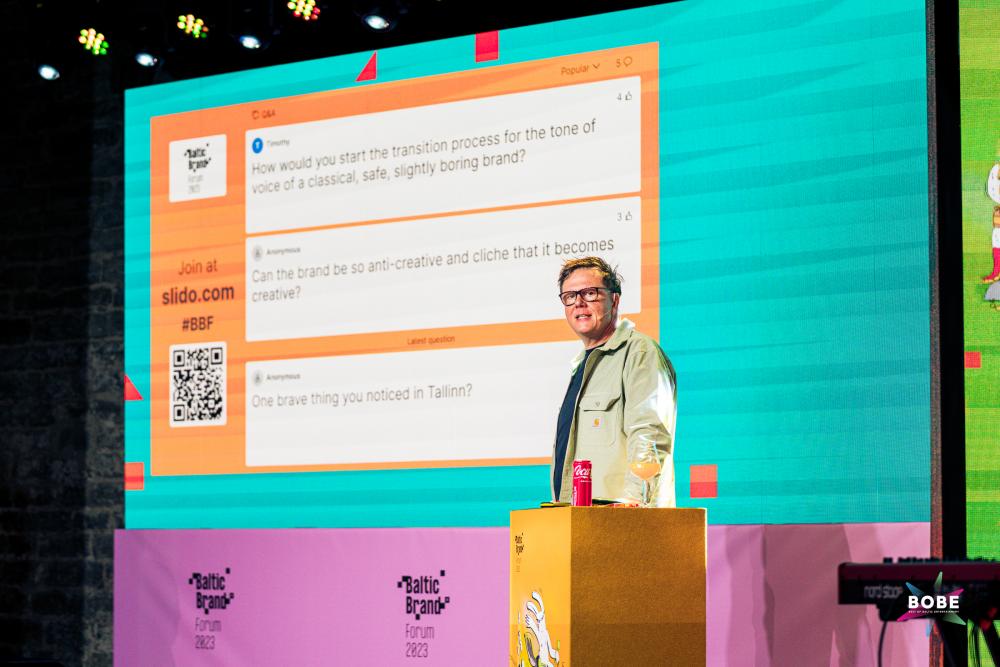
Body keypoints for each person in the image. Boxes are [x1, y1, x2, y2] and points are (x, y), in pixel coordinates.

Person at [551, 257, 677, 506]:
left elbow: (649, 434)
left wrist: (633, 504)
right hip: (581, 516)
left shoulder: (639, 353)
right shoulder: (583, 364)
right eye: (570, 296)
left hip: (620, 517)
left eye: (590, 293)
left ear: (615, 299)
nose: (579, 303)